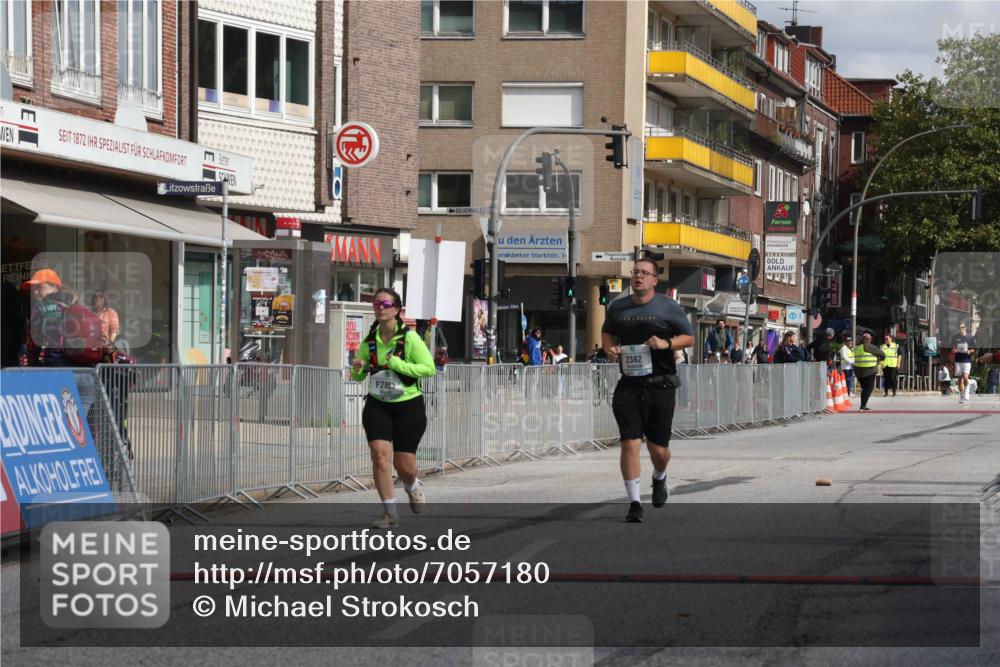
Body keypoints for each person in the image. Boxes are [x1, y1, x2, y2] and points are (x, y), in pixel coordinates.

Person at [602, 257, 694, 523]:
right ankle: (634, 503)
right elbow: (607, 332)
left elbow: (689, 337)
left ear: (655, 279)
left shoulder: (668, 306)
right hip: (629, 384)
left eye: (644, 273)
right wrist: (609, 348)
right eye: (635, 272)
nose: (638, 276)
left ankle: (659, 476)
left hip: (660, 384)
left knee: (658, 450)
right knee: (629, 443)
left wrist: (666, 344)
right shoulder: (618, 307)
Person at [351, 288, 437, 528]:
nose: (380, 308)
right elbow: (358, 375)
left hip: (408, 406)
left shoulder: (409, 338)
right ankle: (390, 514)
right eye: (376, 304)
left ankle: (412, 485)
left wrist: (398, 365)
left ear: (397, 309)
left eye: (386, 304)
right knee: (379, 455)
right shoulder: (370, 340)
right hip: (378, 404)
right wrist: (358, 368)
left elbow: (429, 369)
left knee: (404, 466)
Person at [19, 269, 105, 418]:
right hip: (87, 373)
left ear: (55, 286)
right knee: (79, 425)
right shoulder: (77, 304)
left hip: (57, 371)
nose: (35, 292)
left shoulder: (42, 307)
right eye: (34, 289)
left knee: (56, 422)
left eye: (40, 287)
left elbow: (36, 341)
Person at [853, 331, 885, 411]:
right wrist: (878, 359)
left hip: (858, 371)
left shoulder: (856, 348)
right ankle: (863, 406)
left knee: (865, 389)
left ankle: (863, 406)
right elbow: (883, 354)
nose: (870, 340)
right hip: (869, 370)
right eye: (870, 339)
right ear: (867, 339)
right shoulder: (869, 346)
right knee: (868, 388)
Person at [950, 322, 977, 403]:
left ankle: (967, 391)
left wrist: (970, 351)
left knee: (965, 377)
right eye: (959, 327)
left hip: (966, 360)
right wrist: (954, 350)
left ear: (965, 328)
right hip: (958, 360)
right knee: (960, 379)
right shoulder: (955, 337)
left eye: (962, 327)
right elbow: (951, 348)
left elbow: (974, 349)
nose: (960, 329)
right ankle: (961, 396)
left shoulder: (970, 337)